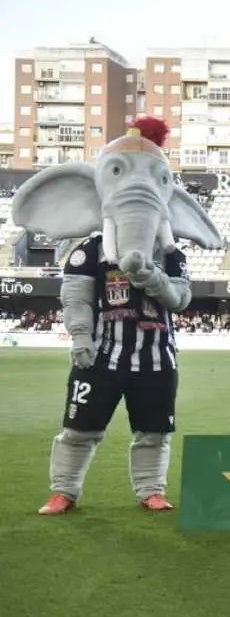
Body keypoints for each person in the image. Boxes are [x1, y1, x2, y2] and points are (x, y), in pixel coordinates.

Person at [38, 215, 193, 515]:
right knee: (78, 429)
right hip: (99, 357)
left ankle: (151, 491)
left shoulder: (171, 253)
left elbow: (180, 300)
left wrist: (152, 277)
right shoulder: (90, 250)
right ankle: (63, 491)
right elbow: (76, 299)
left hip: (156, 359)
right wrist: (80, 335)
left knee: (154, 433)